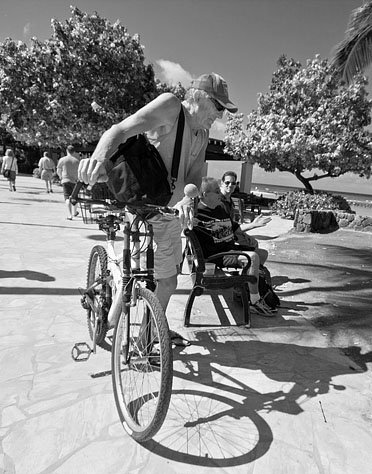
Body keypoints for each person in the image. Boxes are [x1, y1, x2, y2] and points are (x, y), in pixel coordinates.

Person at [77, 72, 238, 343]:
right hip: (146, 208)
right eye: (218, 107)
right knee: (164, 280)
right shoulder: (171, 106)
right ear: (200, 98)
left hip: (170, 215)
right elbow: (120, 130)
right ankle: (147, 338)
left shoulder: (202, 133)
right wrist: (97, 159)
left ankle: (148, 331)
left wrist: (188, 198)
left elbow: (193, 177)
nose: (220, 115)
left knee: (164, 278)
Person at [193, 178, 275, 316]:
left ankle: (244, 287)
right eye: (217, 191)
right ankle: (254, 301)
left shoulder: (220, 209)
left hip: (229, 250)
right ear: (205, 194)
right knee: (253, 258)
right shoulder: (198, 214)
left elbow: (236, 229)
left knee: (263, 254)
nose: (220, 194)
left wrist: (254, 225)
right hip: (217, 256)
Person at [218, 170, 271, 265]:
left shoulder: (229, 200)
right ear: (221, 183)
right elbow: (228, 227)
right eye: (227, 182)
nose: (230, 185)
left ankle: (251, 269)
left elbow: (233, 224)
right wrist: (253, 225)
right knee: (253, 246)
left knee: (253, 243)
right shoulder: (219, 202)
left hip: (231, 232)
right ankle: (250, 268)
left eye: (233, 183)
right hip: (226, 237)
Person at [57, 145, 81, 219]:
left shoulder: (62, 159)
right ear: (74, 152)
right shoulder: (77, 161)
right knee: (75, 197)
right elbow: (79, 172)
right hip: (74, 181)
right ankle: (75, 212)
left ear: (67, 151)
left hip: (65, 180)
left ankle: (70, 215)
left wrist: (61, 177)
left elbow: (58, 170)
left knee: (67, 198)